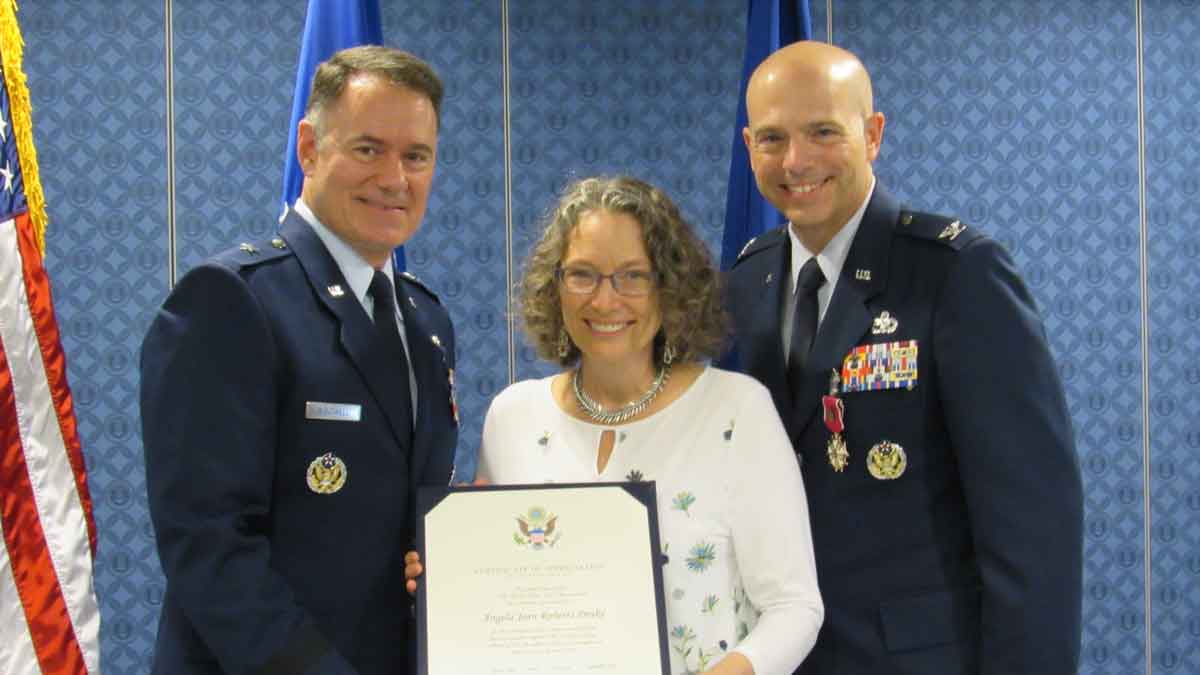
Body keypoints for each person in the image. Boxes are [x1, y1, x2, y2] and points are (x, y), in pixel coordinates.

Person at [720, 41, 1083, 674]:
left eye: (822, 131)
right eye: (772, 138)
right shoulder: (746, 283)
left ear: (873, 133)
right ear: (749, 144)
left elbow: (1032, 528)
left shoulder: (956, 274)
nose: (796, 160)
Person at [409, 176, 824, 674]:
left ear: (668, 286)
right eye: (582, 274)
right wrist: (449, 576)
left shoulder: (736, 412)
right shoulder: (513, 418)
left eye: (632, 276)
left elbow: (794, 607)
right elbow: (507, 592)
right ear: (554, 284)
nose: (605, 302)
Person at [140, 46, 458, 675]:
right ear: (309, 148)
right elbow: (210, 546)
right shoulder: (232, 300)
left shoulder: (426, 322)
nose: (395, 178)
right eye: (368, 148)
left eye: (415, 156)